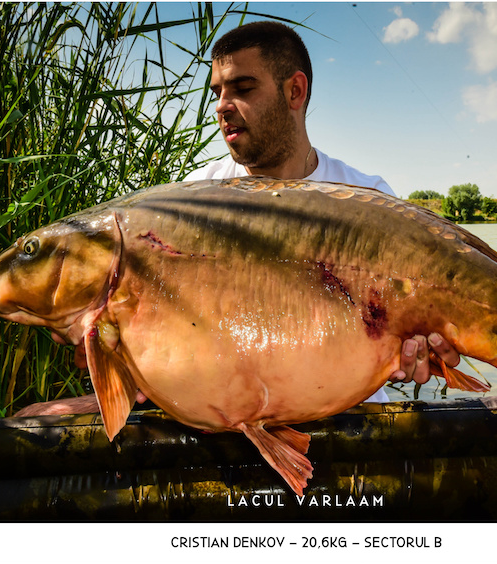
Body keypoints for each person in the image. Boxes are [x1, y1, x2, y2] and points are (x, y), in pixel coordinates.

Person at [187, 21, 460, 402]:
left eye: (243, 88)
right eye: (217, 92)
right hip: (242, 420)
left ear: (295, 91)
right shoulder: (196, 200)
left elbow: (407, 332)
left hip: (353, 421)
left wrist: (417, 353)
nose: (221, 106)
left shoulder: (368, 197)